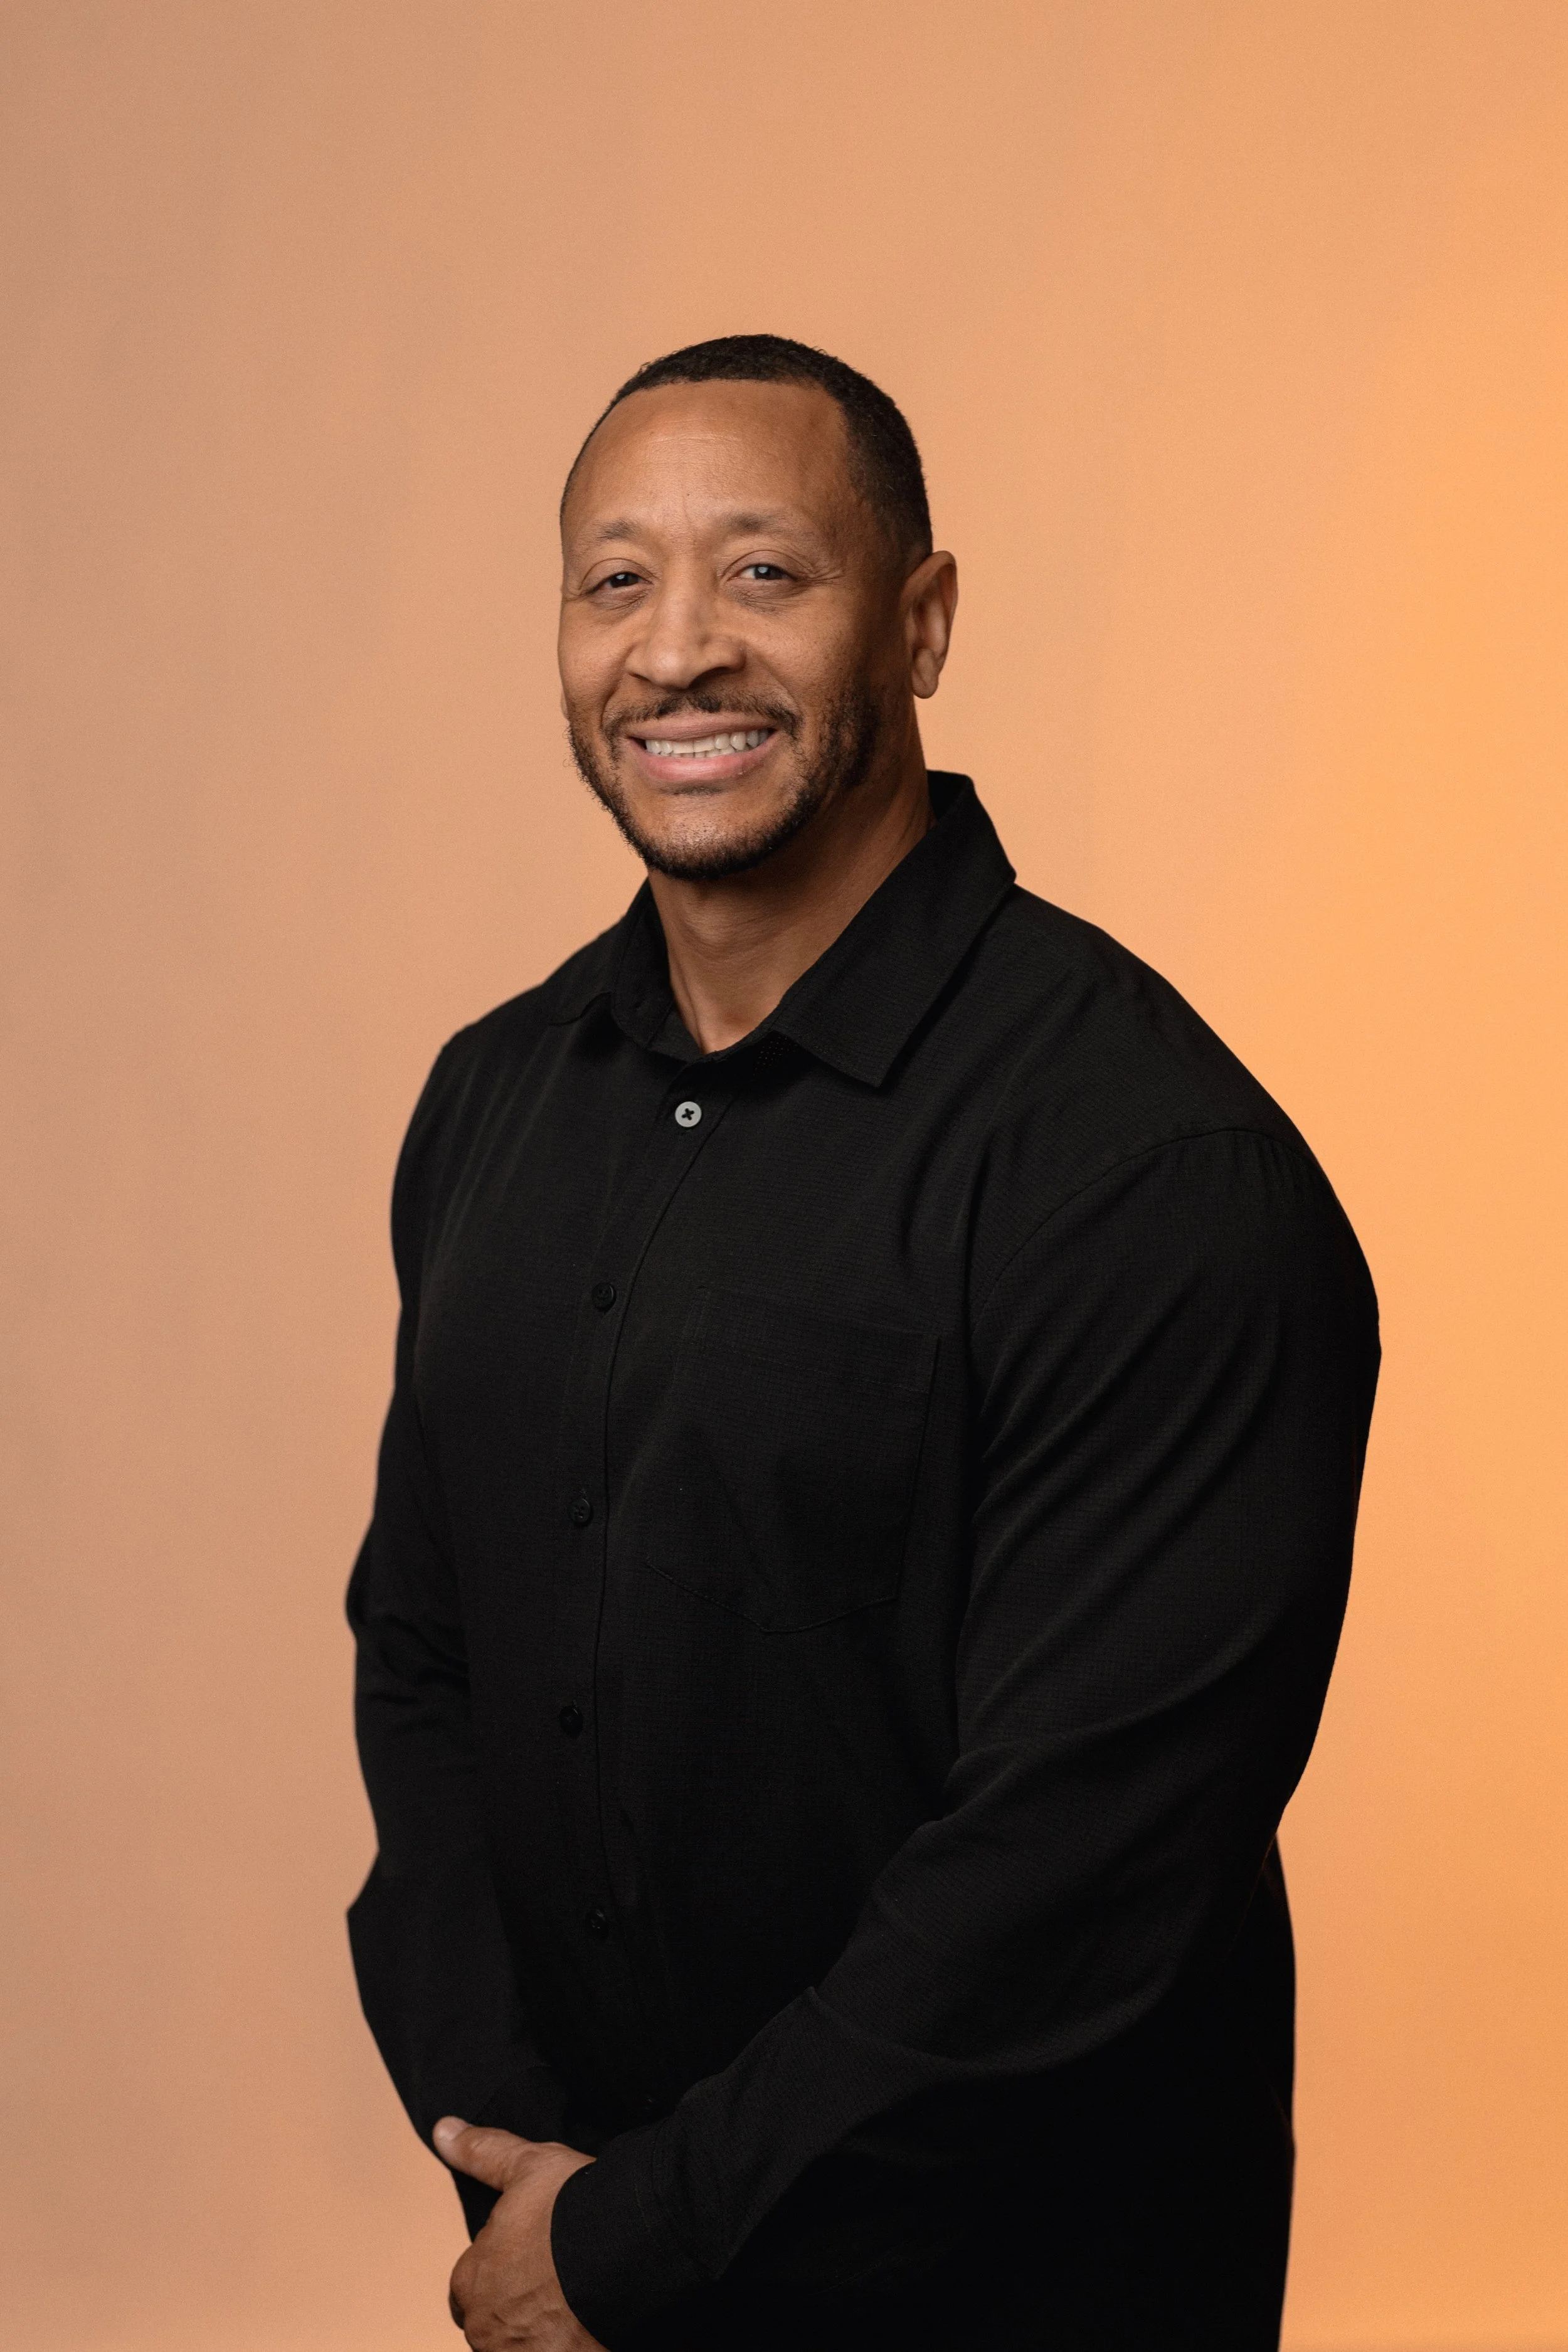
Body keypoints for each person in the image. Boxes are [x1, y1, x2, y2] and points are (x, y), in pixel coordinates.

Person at [347, 333, 1379, 2352]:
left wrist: (653, 2228)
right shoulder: (491, 1099)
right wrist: (529, 2182)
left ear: (918, 623)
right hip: (576, 2266)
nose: (674, 652)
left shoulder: (1146, 1161)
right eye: (612, 578)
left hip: (1025, 2293)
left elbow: (1078, 1863)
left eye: (764, 573)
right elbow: (431, 1658)